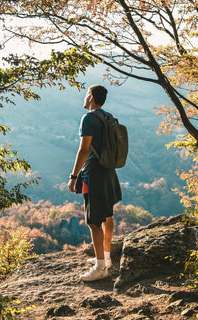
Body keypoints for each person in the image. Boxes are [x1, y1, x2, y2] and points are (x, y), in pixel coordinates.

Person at [68, 84, 122, 282]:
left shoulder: (89, 118)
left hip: (94, 174)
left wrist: (73, 177)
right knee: (107, 215)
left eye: (85, 95)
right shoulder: (107, 116)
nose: (84, 98)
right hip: (109, 171)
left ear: (91, 97)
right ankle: (105, 257)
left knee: (92, 221)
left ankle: (101, 268)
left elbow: (84, 150)